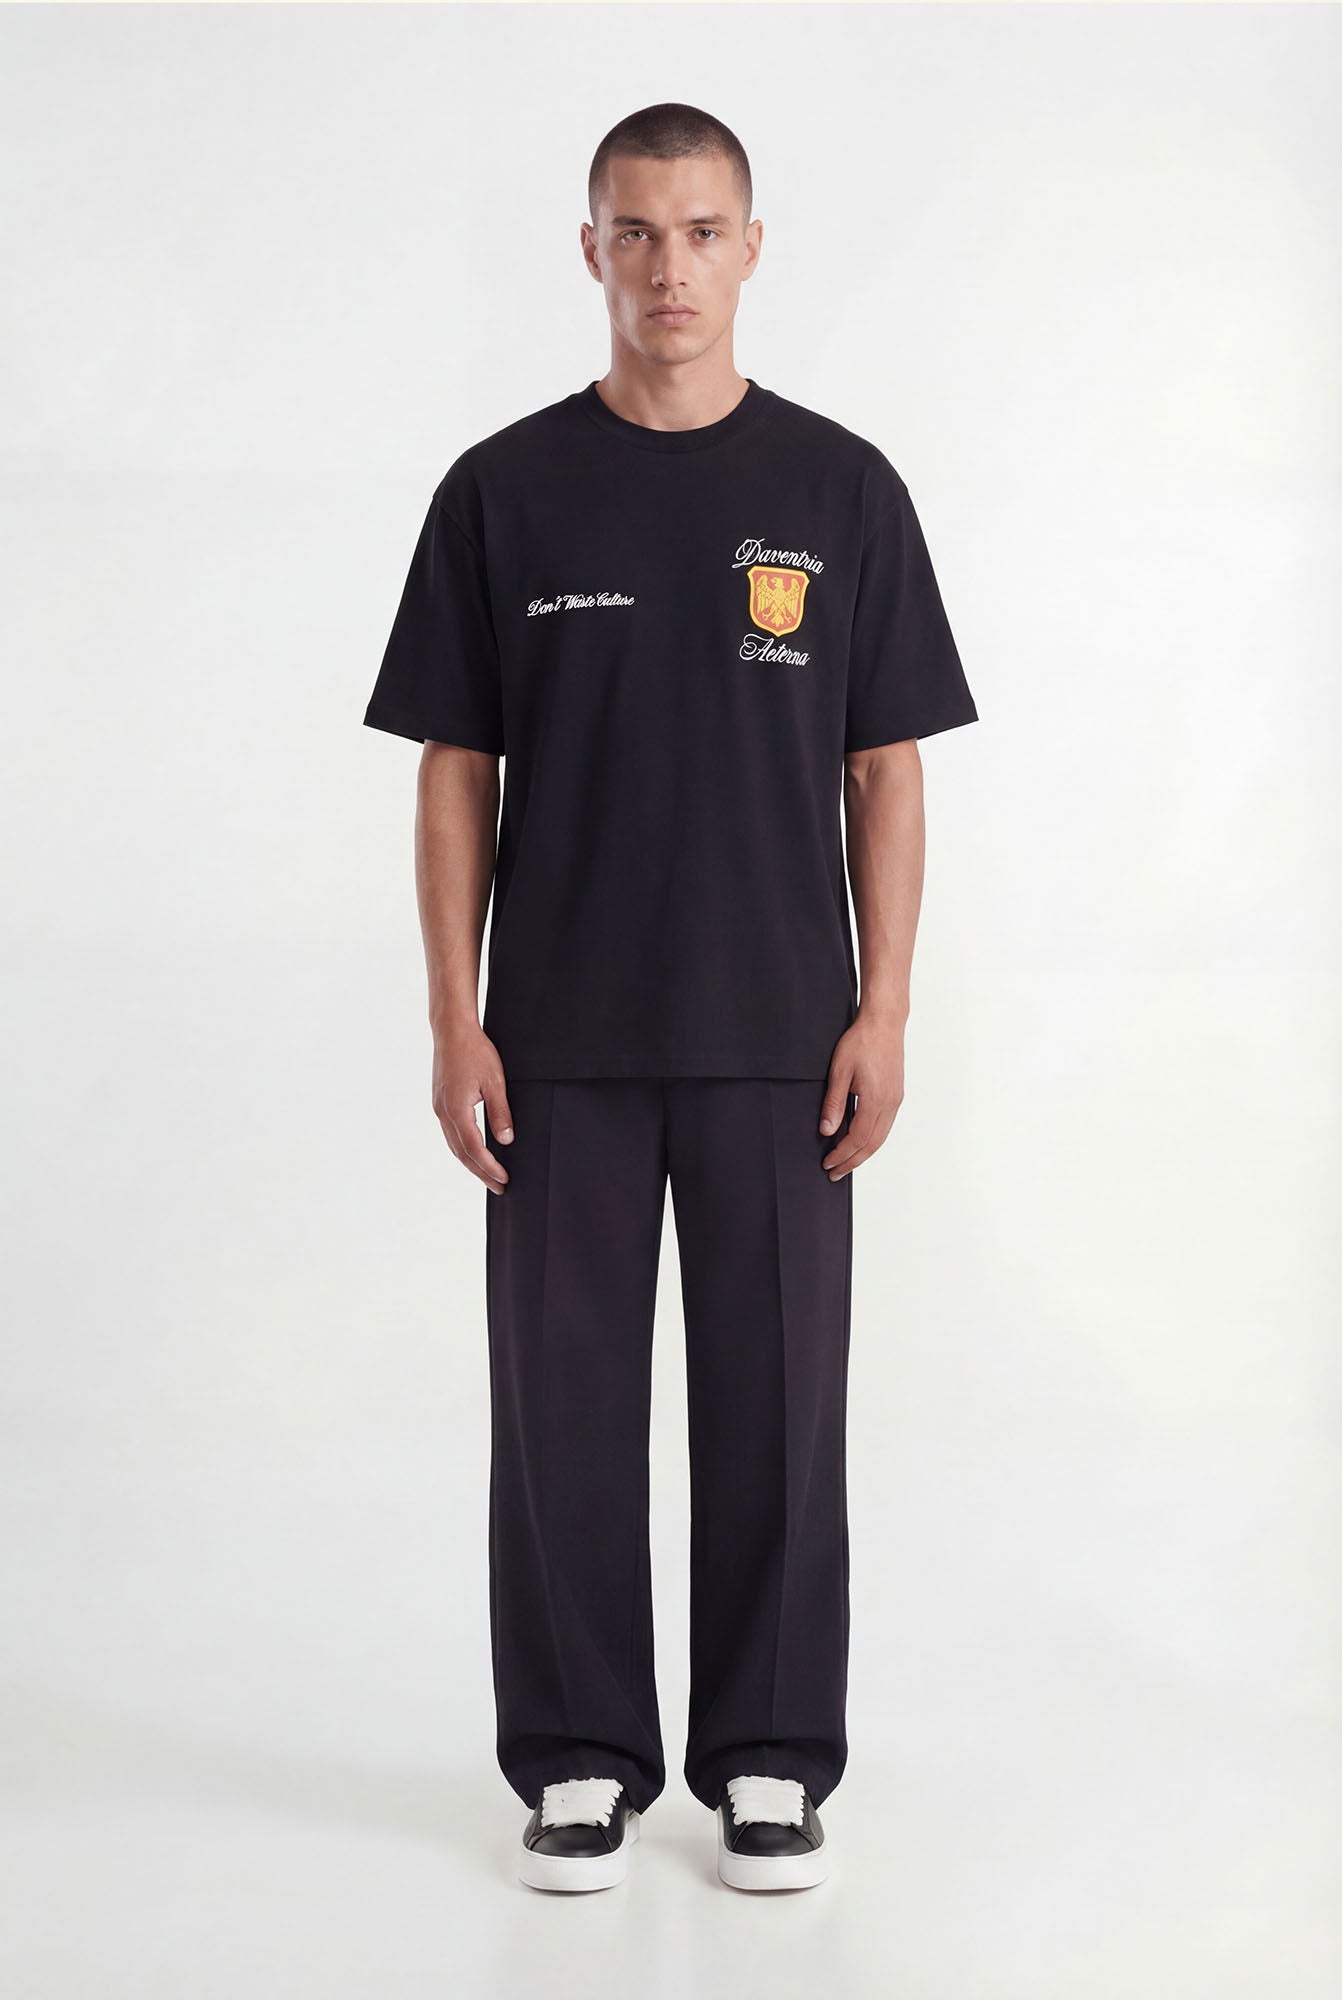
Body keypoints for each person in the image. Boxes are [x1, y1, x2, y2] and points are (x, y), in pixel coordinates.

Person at [363, 101, 979, 1894]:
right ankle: (576, 1758)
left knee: (780, 1409)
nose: (668, 268)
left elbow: (885, 767)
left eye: (701, 231)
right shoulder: (502, 491)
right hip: (556, 1040)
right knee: (557, 1416)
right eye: (634, 232)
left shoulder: (841, 490)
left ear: (752, 248)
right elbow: (455, 769)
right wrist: (453, 1016)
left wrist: (886, 1008)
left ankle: (770, 1755)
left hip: (782, 1036)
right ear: (589, 251)